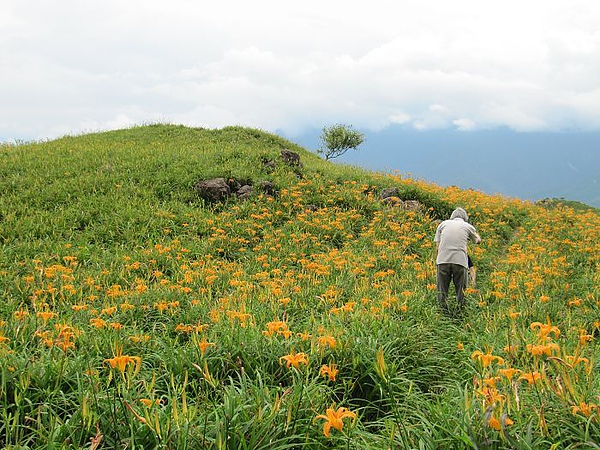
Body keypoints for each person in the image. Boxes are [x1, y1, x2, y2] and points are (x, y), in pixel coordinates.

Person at [434, 207, 481, 317]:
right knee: (461, 289)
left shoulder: (443, 224)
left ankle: (442, 313)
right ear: (465, 218)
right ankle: (460, 313)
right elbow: (478, 241)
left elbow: (437, 247)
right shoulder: (467, 226)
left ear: (452, 216)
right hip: (460, 261)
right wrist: (476, 235)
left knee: (442, 289)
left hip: (442, 260)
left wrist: (438, 262)